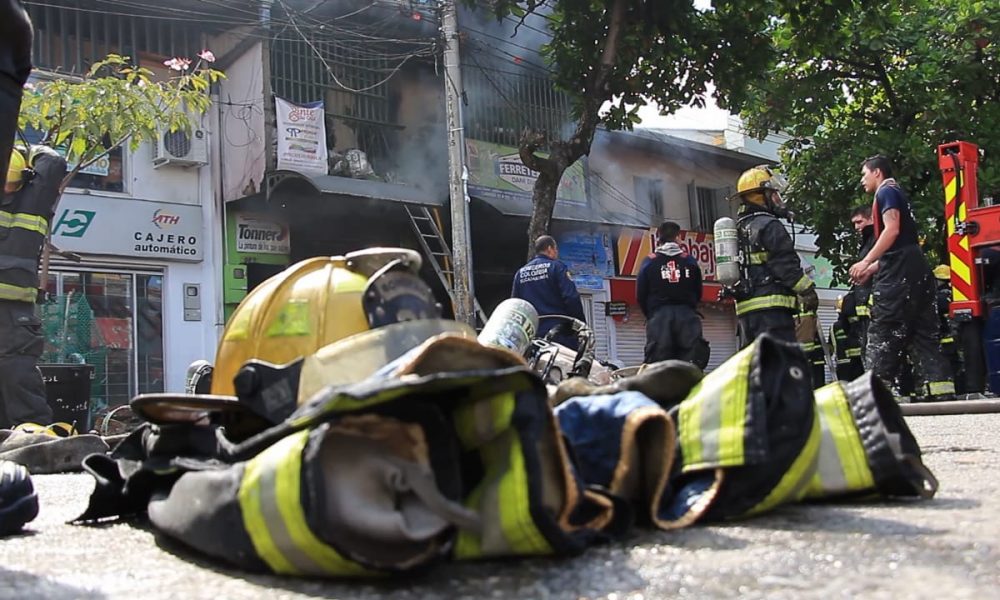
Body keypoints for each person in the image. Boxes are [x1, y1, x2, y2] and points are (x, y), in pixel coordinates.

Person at [849, 154, 954, 401]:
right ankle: (939, 388)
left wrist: (865, 261)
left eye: (864, 174)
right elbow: (902, 243)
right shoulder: (897, 193)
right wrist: (872, 268)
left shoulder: (886, 192)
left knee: (884, 327)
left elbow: (892, 230)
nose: (862, 180)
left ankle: (878, 392)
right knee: (923, 330)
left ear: (877, 173)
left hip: (900, 270)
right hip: (915, 266)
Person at [0, 145, 66, 430]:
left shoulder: (32, 201)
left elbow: (54, 163)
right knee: (17, 377)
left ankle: (32, 437)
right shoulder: (31, 200)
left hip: (14, 316)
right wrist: (29, 150)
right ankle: (27, 437)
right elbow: (51, 161)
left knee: (18, 376)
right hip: (15, 316)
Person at [730, 165, 819, 347]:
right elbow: (785, 264)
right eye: (773, 194)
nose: (778, 199)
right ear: (760, 196)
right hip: (772, 313)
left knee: (757, 368)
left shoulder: (737, 229)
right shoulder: (769, 225)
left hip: (746, 314)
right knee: (779, 365)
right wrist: (807, 291)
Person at [636, 220, 707, 367]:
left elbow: (640, 293)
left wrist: (651, 314)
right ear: (678, 237)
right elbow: (698, 289)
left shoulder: (649, 261)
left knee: (659, 368)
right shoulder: (689, 260)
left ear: (659, 239)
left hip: (659, 318)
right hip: (687, 317)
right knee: (691, 365)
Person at [511, 235, 586, 350]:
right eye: (556, 250)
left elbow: (516, 306)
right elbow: (571, 298)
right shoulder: (557, 267)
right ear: (550, 248)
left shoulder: (520, 273)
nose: (556, 253)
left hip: (532, 336)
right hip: (559, 334)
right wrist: (580, 325)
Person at [848, 205, 876, 357]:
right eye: (854, 224)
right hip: (867, 313)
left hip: (877, 309)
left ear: (872, 218)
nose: (856, 227)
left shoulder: (877, 240)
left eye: (859, 222)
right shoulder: (867, 242)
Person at [933, 264, 965, 394]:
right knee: (959, 364)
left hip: (947, 338)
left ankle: (957, 390)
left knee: (950, 364)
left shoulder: (939, 297)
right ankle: (962, 389)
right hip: (958, 335)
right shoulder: (955, 293)